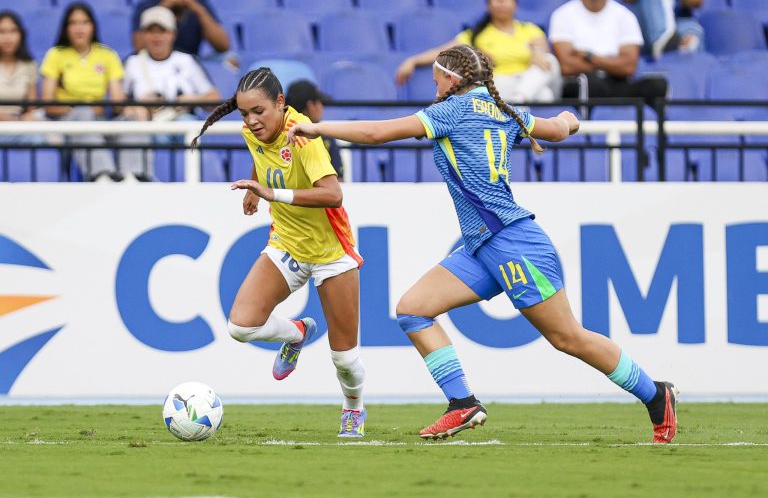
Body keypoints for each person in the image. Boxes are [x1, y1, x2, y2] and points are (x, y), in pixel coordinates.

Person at [287, 44, 678, 444]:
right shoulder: (505, 111)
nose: (433, 82)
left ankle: (655, 394)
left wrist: (318, 128)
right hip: (482, 246)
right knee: (413, 310)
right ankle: (462, 402)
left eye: (436, 75)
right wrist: (568, 118)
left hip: (512, 243)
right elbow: (560, 129)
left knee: (567, 337)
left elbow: (375, 132)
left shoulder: (450, 111)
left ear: (452, 79)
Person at [190, 67, 367, 437]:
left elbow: (333, 194)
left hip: (330, 251)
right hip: (286, 243)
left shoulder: (303, 137)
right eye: (244, 114)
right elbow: (264, 155)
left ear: (281, 104)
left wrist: (273, 193)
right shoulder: (252, 133)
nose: (251, 121)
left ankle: (354, 407)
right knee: (241, 326)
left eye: (259, 111)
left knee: (345, 360)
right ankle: (297, 333)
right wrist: (257, 186)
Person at [40, 2, 151, 182]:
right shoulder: (56, 55)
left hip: (101, 118)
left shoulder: (107, 55)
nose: (79, 28)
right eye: (73, 23)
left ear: (93, 26)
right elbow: (47, 103)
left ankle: (134, 177)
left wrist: (131, 109)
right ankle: (102, 176)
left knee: (132, 119)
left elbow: (117, 102)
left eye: (85, 22)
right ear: (66, 27)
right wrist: (76, 110)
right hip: (68, 121)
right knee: (83, 114)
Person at [395, 0, 561, 103]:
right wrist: (413, 60)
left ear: (516, 3)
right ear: (488, 4)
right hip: (502, 83)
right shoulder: (476, 36)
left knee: (550, 61)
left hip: (528, 80)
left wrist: (537, 52)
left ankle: (521, 98)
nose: (501, 2)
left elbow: (543, 53)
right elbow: (445, 51)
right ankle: (523, 105)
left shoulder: (529, 29)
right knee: (544, 96)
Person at [549, 0, 667, 110]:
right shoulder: (562, 14)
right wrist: (613, 62)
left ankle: (654, 128)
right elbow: (567, 66)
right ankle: (586, 127)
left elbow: (629, 67)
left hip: (618, 82)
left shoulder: (625, 15)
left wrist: (589, 56)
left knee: (657, 85)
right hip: (582, 82)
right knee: (591, 82)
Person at [124, 6, 220, 128]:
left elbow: (214, 98)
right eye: (150, 31)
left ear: (173, 33)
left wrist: (192, 99)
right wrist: (135, 107)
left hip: (183, 121)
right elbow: (117, 103)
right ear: (143, 34)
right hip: (146, 126)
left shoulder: (186, 60)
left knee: (187, 123)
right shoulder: (133, 62)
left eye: (162, 30)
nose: (157, 36)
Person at [132, 0, 229, 57]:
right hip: (155, 64)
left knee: (230, 60)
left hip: (190, 66)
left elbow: (223, 46)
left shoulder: (201, 5)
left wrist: (198, 10)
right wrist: (165, 6)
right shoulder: (146, 6)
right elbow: (139, 47)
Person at [620, 0, 705, 58]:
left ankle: (674, 51)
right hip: (646, 28)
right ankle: (663, 40)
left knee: (693, 39)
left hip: (679, 22)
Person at [0, 10, 45, 143]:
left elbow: (32, 106)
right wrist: (17, 122)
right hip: (7, 125)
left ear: (21, 35)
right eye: (2, 32)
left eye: (13, 31)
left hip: (20, 126)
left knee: (48, 136)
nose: (7, 37)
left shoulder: (29, 65)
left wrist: (28, 118)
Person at [285, 80, 343, 179]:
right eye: (321, 103)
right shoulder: (325, 136)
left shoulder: (276, 134)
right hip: (320, 193)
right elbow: (339, 182)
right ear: (311, 106)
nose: (322, 108)